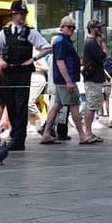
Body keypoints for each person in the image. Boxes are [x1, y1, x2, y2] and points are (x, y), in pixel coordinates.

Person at [0, 0, 51, 152]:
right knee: (10, 104)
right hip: (8, 72)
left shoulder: (30, 32)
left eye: (24, 14)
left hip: (23, 73)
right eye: (20, 14)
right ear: (13, 15)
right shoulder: (5, 32)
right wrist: (1, 61)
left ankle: (19, 139)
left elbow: (46, 47)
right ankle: (15, 136)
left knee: (21, 105)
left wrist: (33, 60)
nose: (23, 17)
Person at [41, 15, 81, 147]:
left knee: (57, 105)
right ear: (62, 27)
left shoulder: (64, 40)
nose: (71, 30)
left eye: (73, 28)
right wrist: (69, 81)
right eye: (69, 27)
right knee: (74, 103)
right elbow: (60, 61)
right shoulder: (61, 41)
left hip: (63, 79)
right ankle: (82, 134)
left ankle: (46, 133)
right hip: (65, 79)